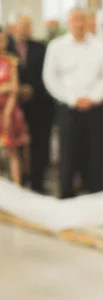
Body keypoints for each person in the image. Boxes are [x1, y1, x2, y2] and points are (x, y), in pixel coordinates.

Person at [43, 7, 103, 198]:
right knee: (68, 154)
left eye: (82, 19)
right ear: (68, 22)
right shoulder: (56, 46)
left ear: (87, 21)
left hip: (94, 108)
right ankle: (67, 197)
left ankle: (98, 196)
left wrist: (94, 97)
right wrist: (72, 99)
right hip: (68, 108)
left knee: (96, 154)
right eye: (75, 20)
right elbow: (50, 78)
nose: (79, 24)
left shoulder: (100, 45)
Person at [9, 11, 54, 193]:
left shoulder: (40, 47)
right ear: (14, 27)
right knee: (16, 146)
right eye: (21, 25)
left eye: (27, 25)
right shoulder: (6, 48)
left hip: (39, 104)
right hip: (14, 106)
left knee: (39, 145)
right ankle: (19, 183)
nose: (24, 29)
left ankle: (38, 183)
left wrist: (32, 89)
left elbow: (47, 74)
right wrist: (18, 89)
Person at [0, 27, 29, 185]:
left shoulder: (10, 61)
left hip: (9, 110)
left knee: (13, 151)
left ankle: (17, 188)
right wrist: (4, 87)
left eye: (4, 40)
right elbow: (7, 86)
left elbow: (14, 88)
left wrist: (7, 111)